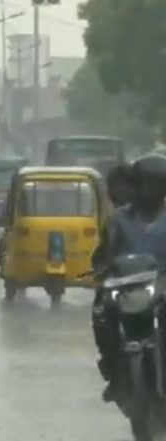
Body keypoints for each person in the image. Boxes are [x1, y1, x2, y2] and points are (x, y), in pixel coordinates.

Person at [91, 153, 166, 402]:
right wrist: (100, 268)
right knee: (100, 312)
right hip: (124, 287)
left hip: (162, 286)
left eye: (154, 184)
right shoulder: (119, 218)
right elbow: (104, 253)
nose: (148, 190)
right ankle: (113, 370)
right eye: (143, 183)